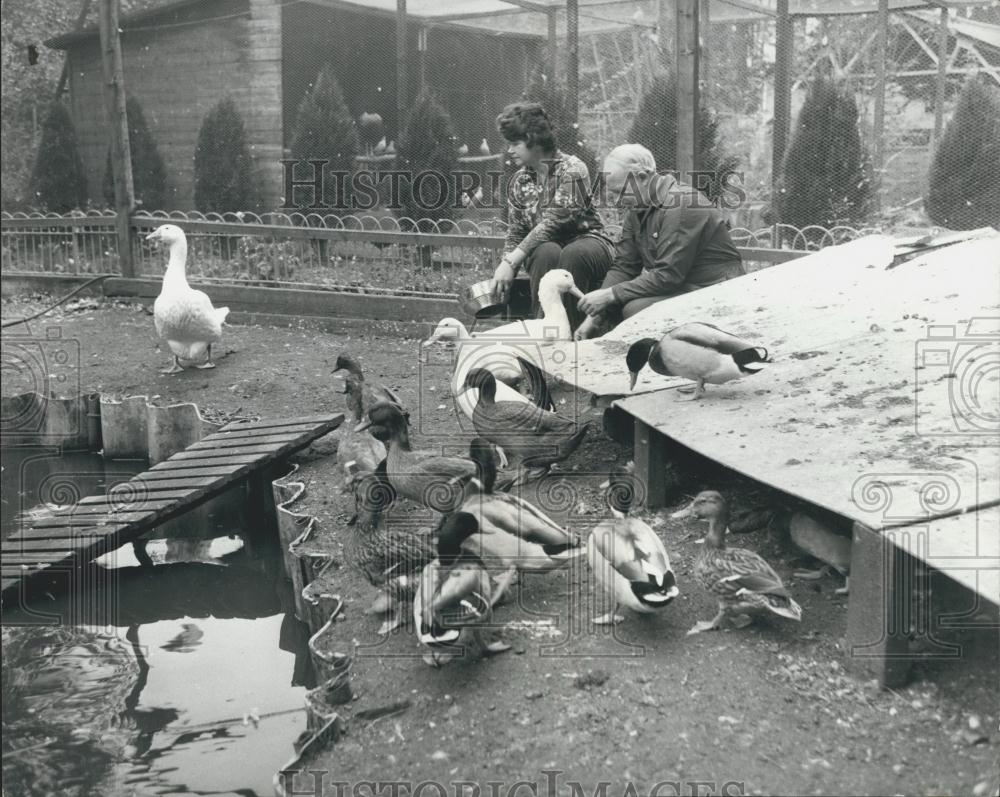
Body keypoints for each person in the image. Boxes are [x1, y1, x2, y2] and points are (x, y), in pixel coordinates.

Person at [575, 144, 744, 340]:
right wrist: (594, 316)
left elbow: (668, 275)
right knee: (614, 306)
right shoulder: (638, 207)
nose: (616, 200)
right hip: (686, 288)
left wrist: (610, 295)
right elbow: (625, 266)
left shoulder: (681, 203)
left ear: (643, 178)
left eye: (620, 192)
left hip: (716, 291)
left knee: (635, 310)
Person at [488, 103, 613, 331]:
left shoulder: (574, 169)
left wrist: (511, 261)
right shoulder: (519, 180)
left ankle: (575, 338)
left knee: (573, 254)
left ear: (534, 139)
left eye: (515, 143)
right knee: (547, 252)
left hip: (589, 243)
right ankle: (544, 335)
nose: (509, 150)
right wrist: (506, 270)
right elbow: (516, 231)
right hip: (547, 247)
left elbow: (552, 223)